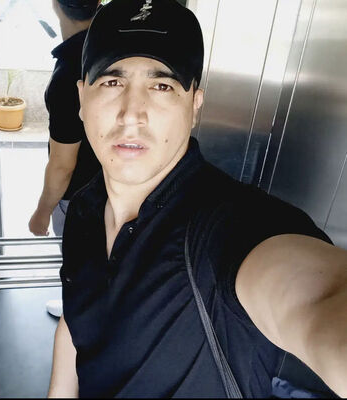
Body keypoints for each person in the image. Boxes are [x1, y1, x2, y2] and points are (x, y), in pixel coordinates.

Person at [48, 0, 347, 397]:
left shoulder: (232, 228)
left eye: (162, 86)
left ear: (194, 106)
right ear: (82, 99)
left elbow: (322, 299)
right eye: (112, 82)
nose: (132, 114)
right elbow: (76, 322)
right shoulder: (84, 209)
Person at [28, 0, 101, 316]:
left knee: (78, 263)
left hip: (79, 197)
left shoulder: (69, 72)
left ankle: (78, 317)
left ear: (55, 5)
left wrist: (42, 211)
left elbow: (62, 165)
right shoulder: (113, 49)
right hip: (118, 186)